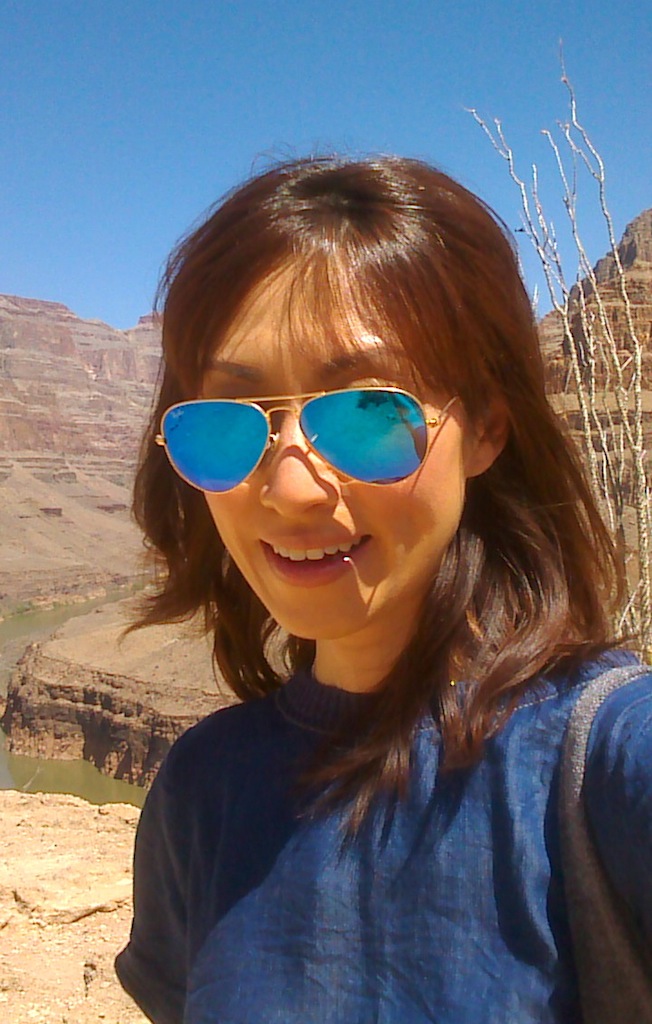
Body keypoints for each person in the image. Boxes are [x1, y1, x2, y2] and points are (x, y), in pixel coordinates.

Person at [115, 155, 652, 1024]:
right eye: (226, 424)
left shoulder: (609, 767)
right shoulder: (202, 791)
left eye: (367, 414)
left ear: (486, 429)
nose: (290, 489)